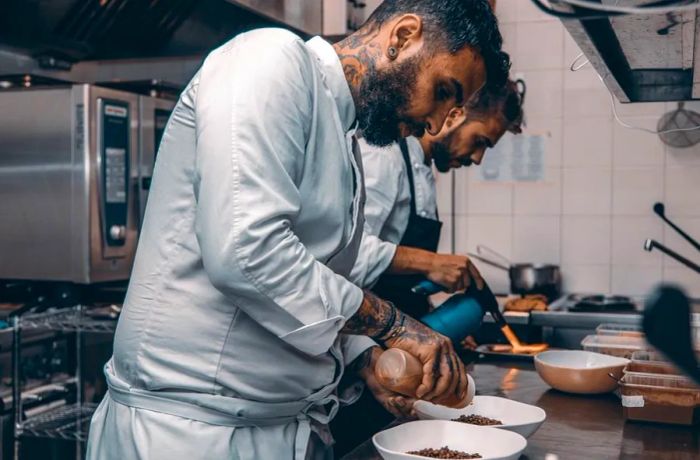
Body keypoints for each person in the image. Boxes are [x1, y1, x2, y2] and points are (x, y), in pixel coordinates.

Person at [85, 1, 510, 460]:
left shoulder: (346, 139)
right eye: (444, 90)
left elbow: (299, 296)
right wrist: (393, 325)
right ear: (403, 36)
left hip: (275, 428)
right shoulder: (268, 60)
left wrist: (360, 359)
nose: (434, 122)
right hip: (190, 435)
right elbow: (247, 253)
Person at [330, 81, 524, 457]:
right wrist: (431, 263)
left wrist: (430, 316)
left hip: (399, 354)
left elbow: (395, 280)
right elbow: (347, 255)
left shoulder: (422, 171)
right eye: (481, 140)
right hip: (368, 357)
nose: (479, 158)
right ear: (454, 116)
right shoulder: (384, 157)